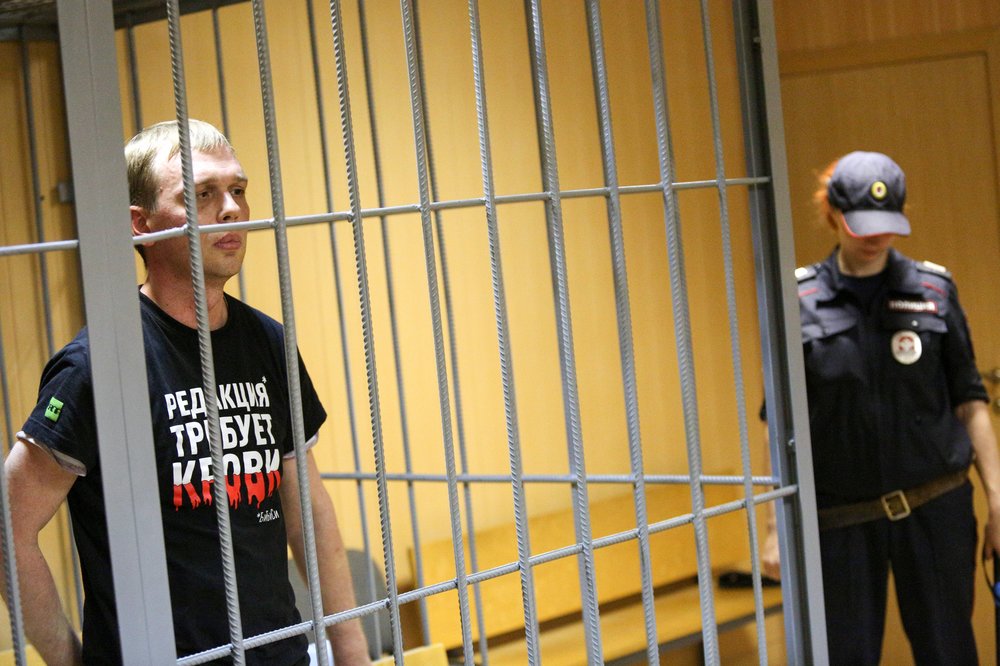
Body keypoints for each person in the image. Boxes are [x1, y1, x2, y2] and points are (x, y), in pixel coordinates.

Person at [2, 119, 371, 665]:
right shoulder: (98, 365)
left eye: (238, 189)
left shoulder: (267, 342)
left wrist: (352, 651)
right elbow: (10, 528)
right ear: (140, 224)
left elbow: (308, 511)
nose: (231, 209)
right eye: (202, 194)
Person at [761, 151, 1000, 664]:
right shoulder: (799, 301)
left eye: (887, 223)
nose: (876, 237)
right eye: (862, 225)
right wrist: (775, 529)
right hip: (842, 520)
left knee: (949, 652)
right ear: (832, 214)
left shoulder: (934, 291)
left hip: (935, 507)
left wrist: (998, 501)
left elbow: (970, 402)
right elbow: (779, 423)